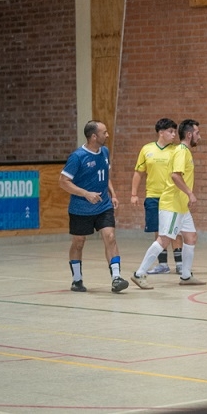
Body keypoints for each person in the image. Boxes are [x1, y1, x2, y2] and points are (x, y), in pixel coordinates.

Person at [131, 119, 206, 289]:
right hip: (172, 204)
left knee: (191, 236)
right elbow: (175, 176)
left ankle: (186, 276)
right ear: (189, 134)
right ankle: (139, 273)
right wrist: (190, 193)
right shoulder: (181, 151)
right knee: (164, 240)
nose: (199, 137)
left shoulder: (183, 151)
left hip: (181, 206)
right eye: (197, 133)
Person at [59, 120, 129, 293]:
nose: (107, 135)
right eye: (104, 132)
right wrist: (86, 194)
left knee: (110, 236)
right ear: (93, 136)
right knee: (78, 242)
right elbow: (63, 182)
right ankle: (77, 280)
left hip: (103, 205)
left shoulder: (104, 151)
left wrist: (113, 194)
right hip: (81, 208)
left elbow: (105, 176)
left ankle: (116, 278)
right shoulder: (77, 157)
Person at [130, 118, 183, 275]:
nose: (174, 134)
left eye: (175, 131)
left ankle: (180, 263)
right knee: (158, 230)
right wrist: (134, 194)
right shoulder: (147, 149)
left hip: (172, 196)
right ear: (161, 133)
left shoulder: (177, 150)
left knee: (175, 230)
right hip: (153, 196)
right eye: (171, 131)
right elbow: (139, 173)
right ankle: (162, 264)